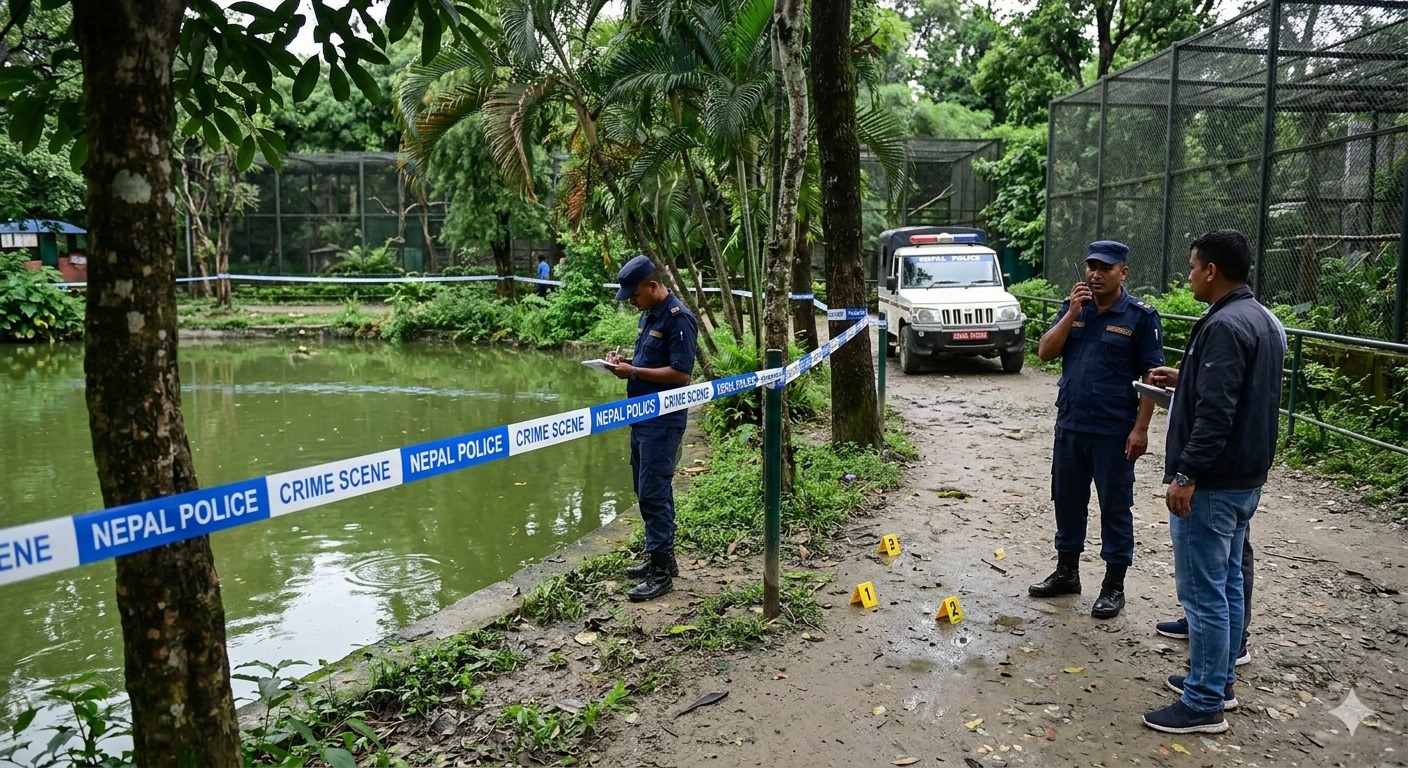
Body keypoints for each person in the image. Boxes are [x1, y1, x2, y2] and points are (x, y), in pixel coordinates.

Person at [1142, 229, 1286, 734]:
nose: (1188, 275)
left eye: (1191, 267)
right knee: (1224, 584)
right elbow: (1243, 391)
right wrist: (1183, 377)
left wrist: (1187, 473)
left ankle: (1203, 703)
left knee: (1204, 593)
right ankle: (1217, 680)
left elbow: (1218, 412)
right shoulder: (1264, 320)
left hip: (1214, 483)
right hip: (1245, 477)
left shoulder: (1226, 324)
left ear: (1211, 271)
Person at [1029, 240, 1164, 619]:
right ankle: (1067, 572)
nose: (1096, 274)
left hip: (1114, 432)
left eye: (1105, 268)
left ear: (1123, 272)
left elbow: (1152, 378)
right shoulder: (1075, 308)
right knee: (1068, 501)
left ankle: (1113, 585)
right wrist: (1071, 313)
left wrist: (1141, 430)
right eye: (1092, 266)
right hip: (1071, 425)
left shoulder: (1139, 316)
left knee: (1115, 507)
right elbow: (1044, 352)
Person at [604, 255, 698, 601]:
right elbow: (647, 363)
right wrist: (625, 364)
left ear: (653, 286)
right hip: (641, 418)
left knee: (654, 494)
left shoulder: (679, 319)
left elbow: (680, 374)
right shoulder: (649, 315)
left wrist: (634, 372)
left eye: (635, 295)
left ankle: (661, 574)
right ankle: (662, 558)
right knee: (646, 490)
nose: (632, 301)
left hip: (663, 423)